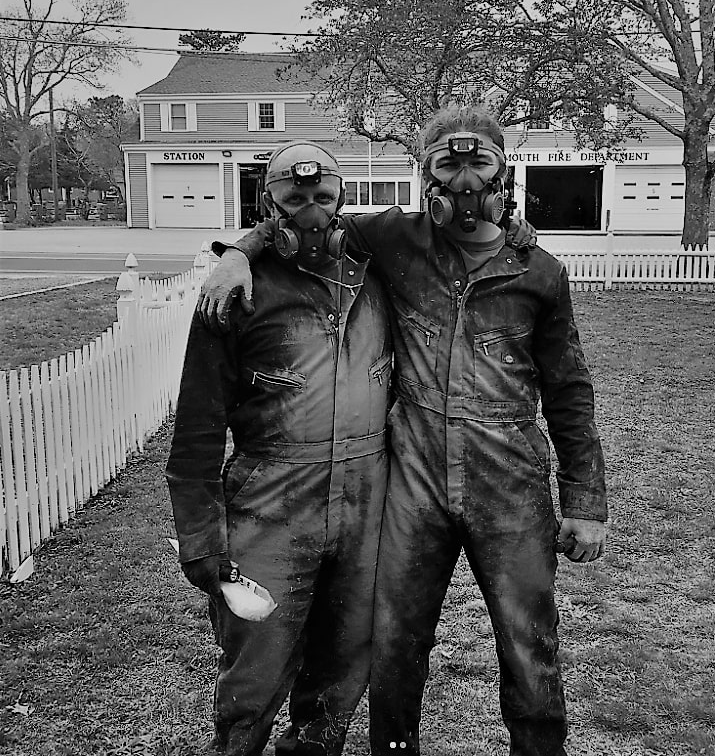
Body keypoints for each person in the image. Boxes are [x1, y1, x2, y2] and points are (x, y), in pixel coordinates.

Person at [199, 106, 607, 756]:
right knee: (396, 642)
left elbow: (569, 391)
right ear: (425, 177)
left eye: (479, 163)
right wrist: (236, 253)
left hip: (509, 480)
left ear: (503, 172)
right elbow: (305, 220)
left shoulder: (539, 272)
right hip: (412, 482)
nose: (465, 179)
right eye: (448, 163)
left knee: (528, 639)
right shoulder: (391, 239)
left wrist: (584, 501)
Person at [166, 141, 391, 755]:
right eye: (294, 195)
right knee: (253, 678)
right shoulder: (234, 294)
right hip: (271, 501)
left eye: (323, 194)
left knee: (341, 674)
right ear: (270, 199)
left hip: (367, 501)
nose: (310, 207)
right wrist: (200, 537)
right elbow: (197, 432)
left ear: (344, 196)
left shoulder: (377, 274)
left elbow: (447, 234)